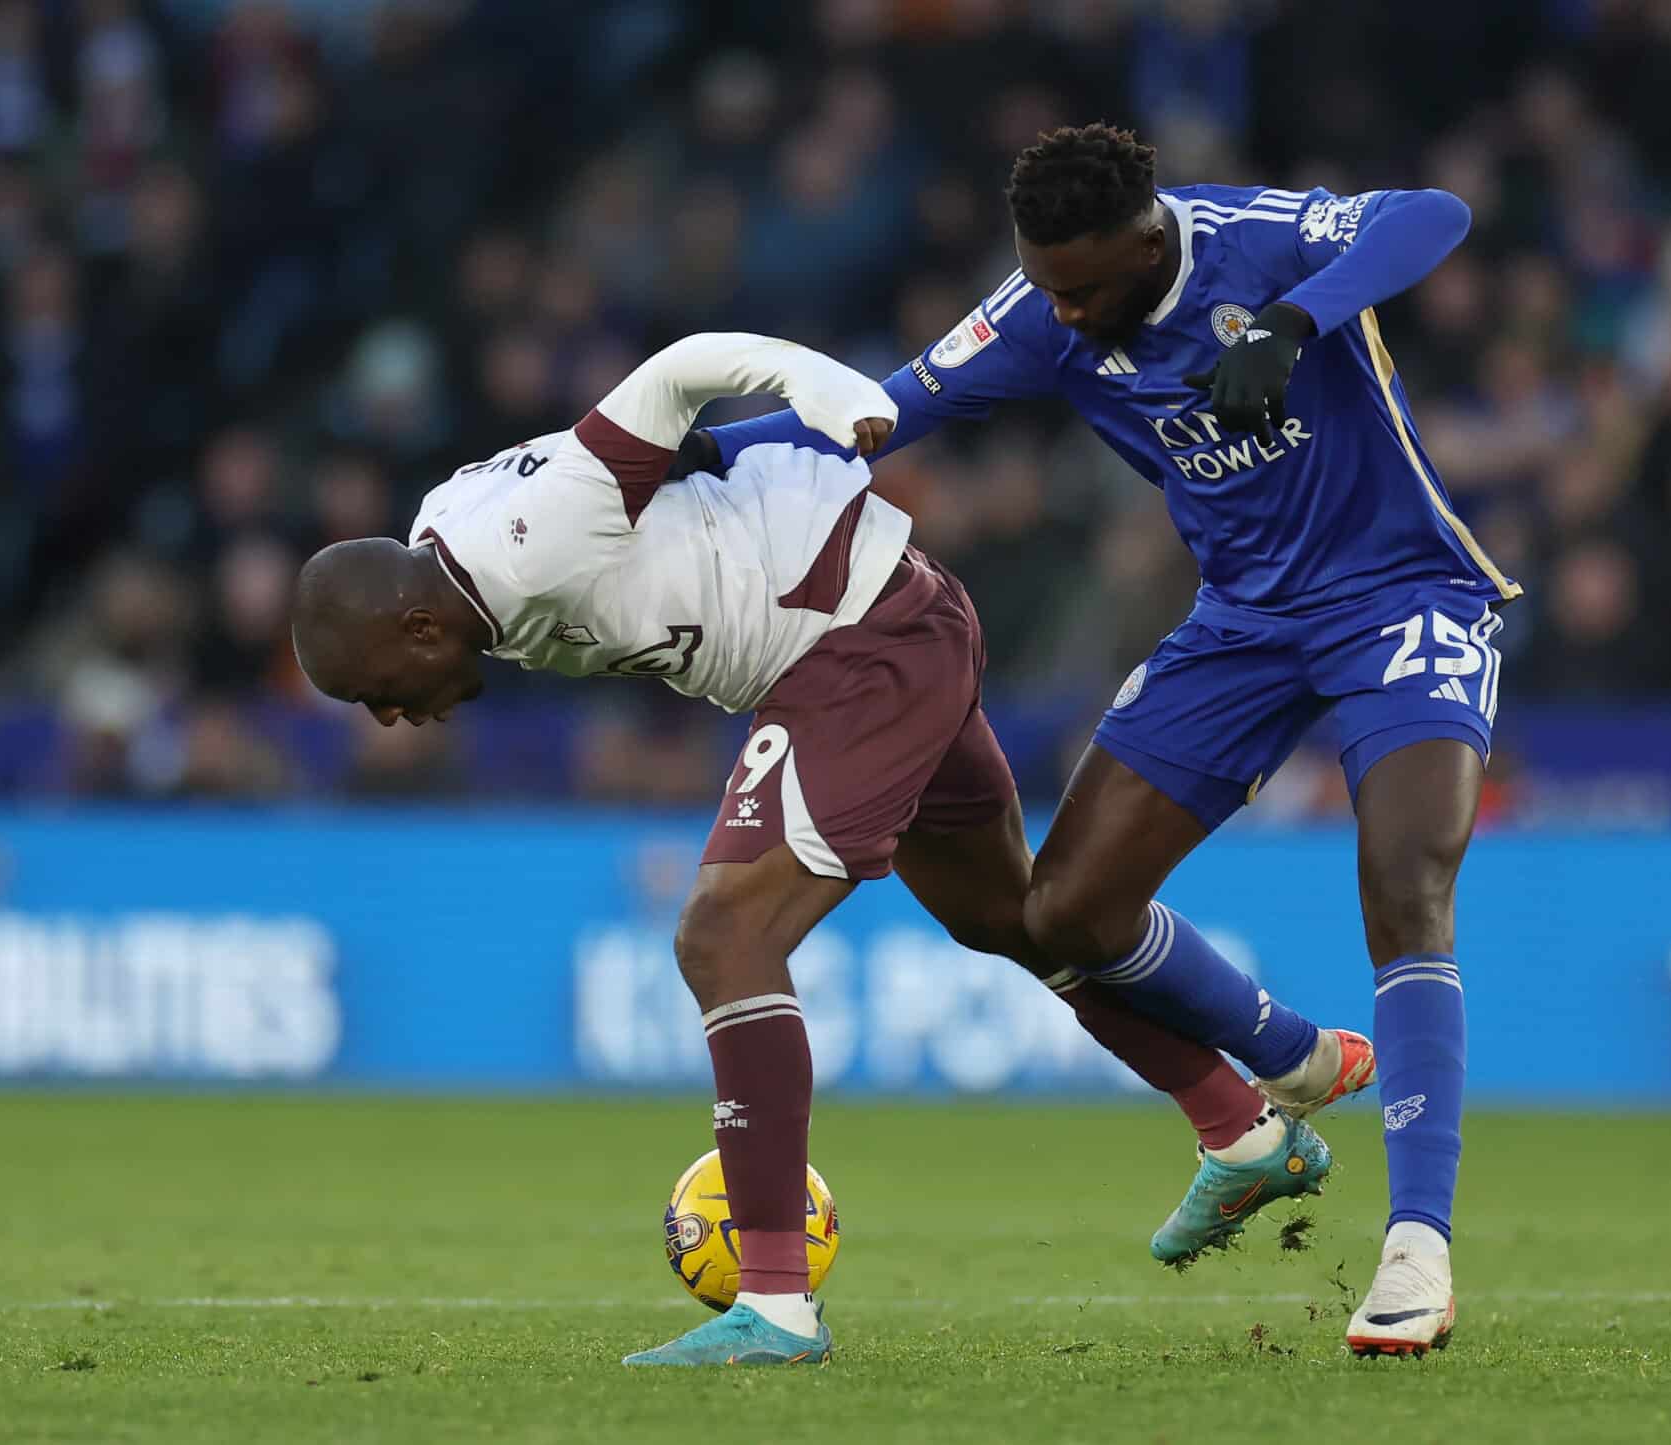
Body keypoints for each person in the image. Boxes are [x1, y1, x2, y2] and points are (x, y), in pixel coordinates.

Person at [290, 331, 1373, 1368]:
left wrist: (831, 393)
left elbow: (682, 372)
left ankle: (772, 1301)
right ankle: (1246, 1117)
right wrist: (764, 447)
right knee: (1017, 917)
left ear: (416, 630)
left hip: (854, 645)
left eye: (375, 693)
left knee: (724, 933)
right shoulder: (457, 553)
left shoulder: (523, 531)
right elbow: (693, 458)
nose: (388, 718)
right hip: (888, 621)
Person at [686, 124, 1517, 1358]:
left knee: (1404, 876)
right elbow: (884, 411)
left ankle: (1414, 1248)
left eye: (1082, 286)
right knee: (1063, 912)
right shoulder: (1038, 309)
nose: (1061, 312)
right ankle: (1284, 1063)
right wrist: (684, 457)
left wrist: (1294, 322)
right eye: (1043, 279)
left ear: (1146, 240)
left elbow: (1431, 213)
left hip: (1399, 594)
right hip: (1238, 623)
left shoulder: (1252, 240)